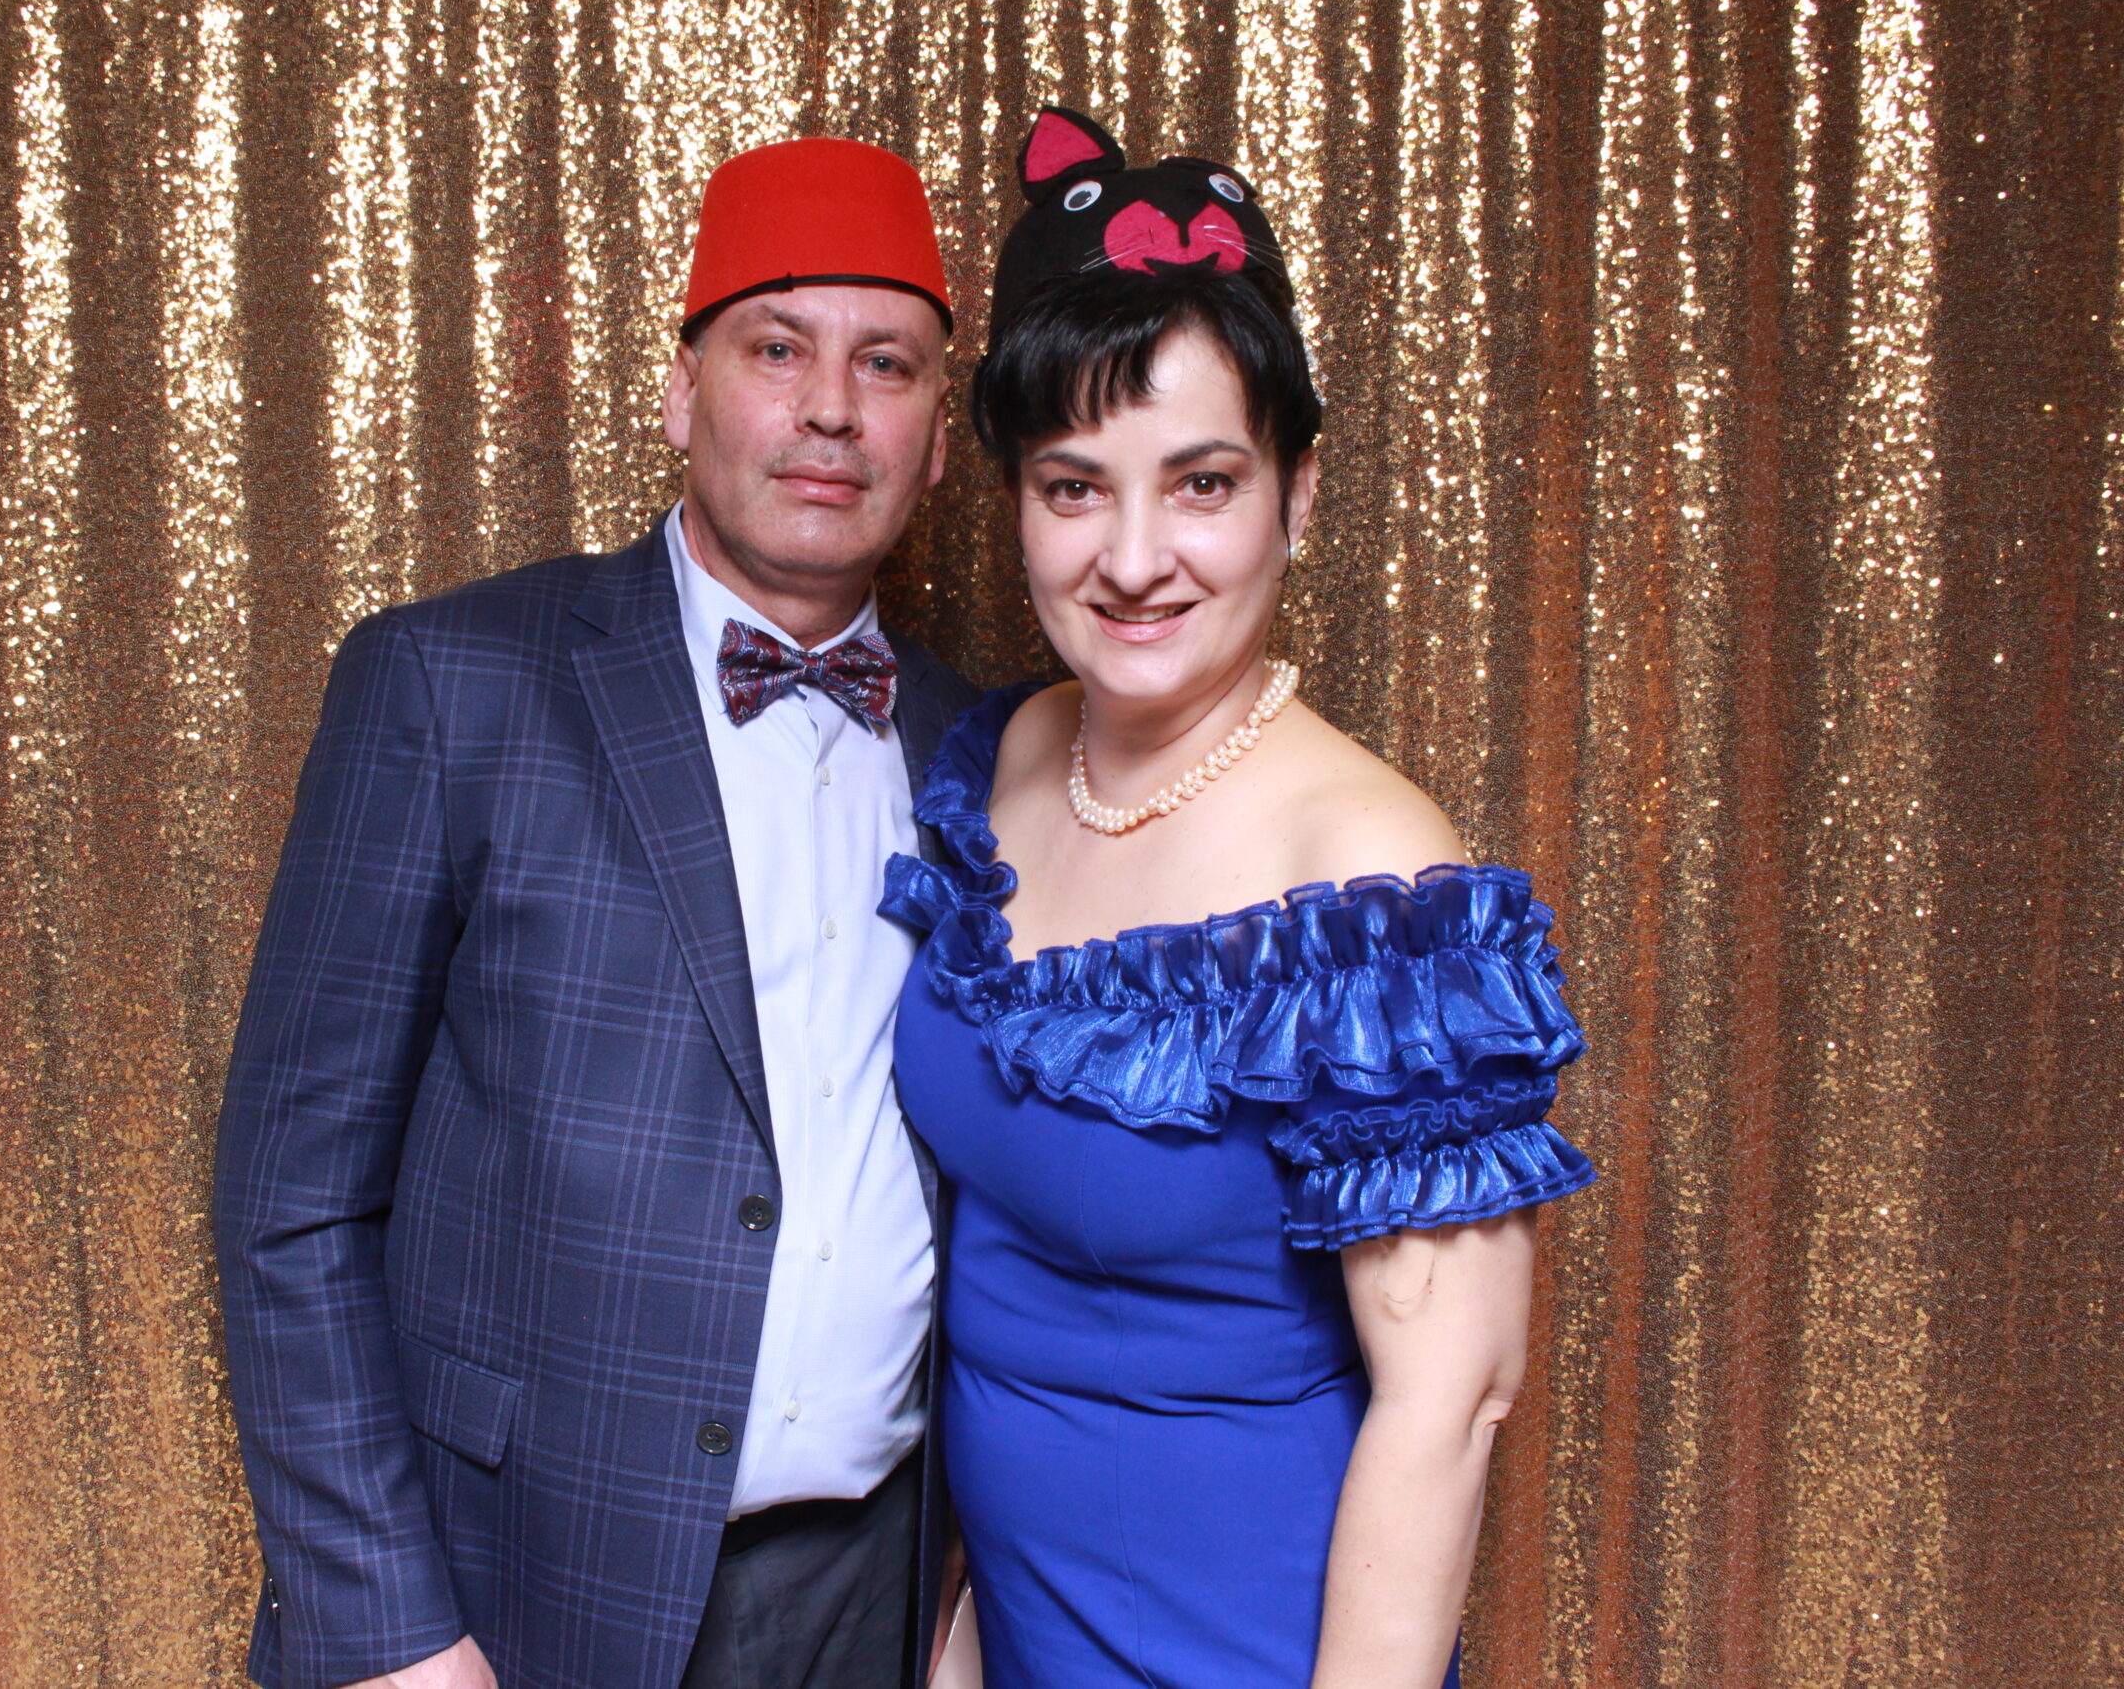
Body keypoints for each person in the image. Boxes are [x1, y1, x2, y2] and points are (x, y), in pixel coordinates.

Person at [215, 136, 978, 1689]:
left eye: (885, 364)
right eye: (778, 350)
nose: (833, 408)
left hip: (885, 1594)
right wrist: (389, 1630)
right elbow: (290, 1197)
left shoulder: (982, 748)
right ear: (683, 392)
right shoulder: (454, 685)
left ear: (940, 441)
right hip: (524, 1593)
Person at [881, 109, 1598, 1688]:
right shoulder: (997, 762)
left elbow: (1452, 1401)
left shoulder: (1375, 883)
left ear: (1298, 494)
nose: (1135, 559)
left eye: (1201, 483)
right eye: (1076, 488)